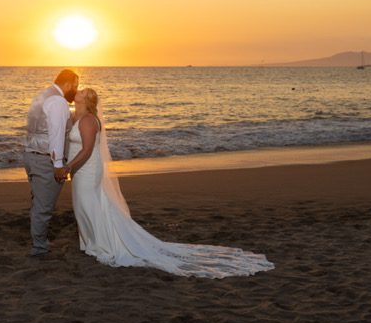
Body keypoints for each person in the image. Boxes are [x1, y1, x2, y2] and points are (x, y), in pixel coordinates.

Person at [64, 88, 275, 278]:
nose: (78, 92)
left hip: (87, 169)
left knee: (89, 204)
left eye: (82, 92)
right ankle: (91, 242)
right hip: (80, 169)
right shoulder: (78, 116)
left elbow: (87, 149)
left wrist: (67, 166)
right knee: (84, 205)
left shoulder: (89, 120)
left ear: (88, 100)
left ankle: (102, 245)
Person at [23, 69, 79, 257]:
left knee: (37, 201)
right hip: (45, 160)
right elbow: (56, 134)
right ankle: (39, 247)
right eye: (76, 85)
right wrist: (58, 165)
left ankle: (40, 240)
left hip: (31, 154)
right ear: (69, 83)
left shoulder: (43, 95)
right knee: (44, 207)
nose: (76, 90)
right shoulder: (58, 102)